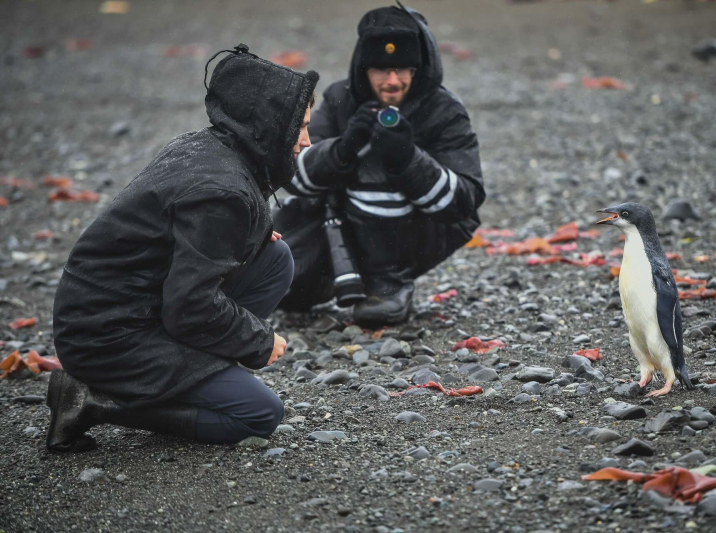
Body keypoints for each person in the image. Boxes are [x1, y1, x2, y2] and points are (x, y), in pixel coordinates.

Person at [46, 44, 319, 452]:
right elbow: (190, 305)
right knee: (259, 414)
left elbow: (177, 237)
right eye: (299, 128)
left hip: (127, 309)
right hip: (106, 335)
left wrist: (252, 234)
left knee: (274, 260)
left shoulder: (205, 146)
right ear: (266, 124)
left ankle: (193, 375)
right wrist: (258, 341)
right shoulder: (220, 190)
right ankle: (94, 402)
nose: (307, 141)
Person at [276, 5, 484, 325]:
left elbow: (465, 202)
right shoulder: (339, 99)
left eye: (402, 69)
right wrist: (342, 151)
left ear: (417, 68)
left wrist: (407, 160)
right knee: (284, 289)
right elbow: (290, 176)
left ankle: (390, 281)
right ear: (363, 69)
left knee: (378, 172)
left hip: (419, 229)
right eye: (380, 69)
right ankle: (332, 274)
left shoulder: (444, 110)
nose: (392, 81)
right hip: (340, 219)